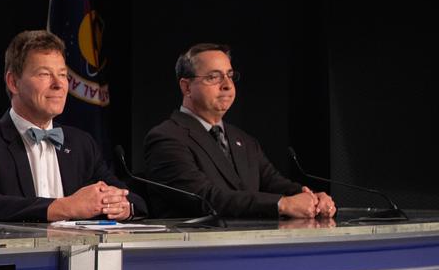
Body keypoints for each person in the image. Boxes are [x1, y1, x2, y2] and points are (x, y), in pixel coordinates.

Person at [0, 30, 144, 223]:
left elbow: (133, 200)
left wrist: (121, 206)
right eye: (44, 74)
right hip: (17, 253)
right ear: (13, 82)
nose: (59, 84)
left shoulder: (81, 144)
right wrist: (64, 207)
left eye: (62, 75)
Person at [141, 43, 335, 219]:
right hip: (194, 252)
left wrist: (310, 196)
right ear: (187, 87)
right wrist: (281, 204)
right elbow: (205, 197)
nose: (227, 84)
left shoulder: (244, 140)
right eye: (214, 77)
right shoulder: (166, 138)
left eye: (230, 75)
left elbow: (274, 183)